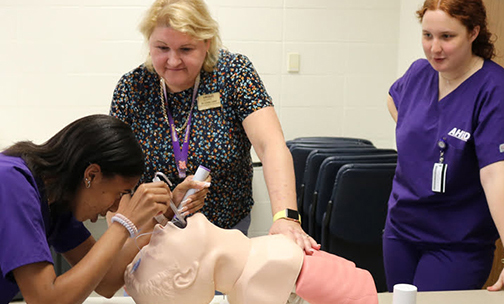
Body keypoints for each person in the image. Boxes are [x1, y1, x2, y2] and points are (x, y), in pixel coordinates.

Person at [109, 0, 317, 252]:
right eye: (162, 48)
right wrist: (122, 237)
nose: (173, 61)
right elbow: (114, 174)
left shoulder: (233, 74)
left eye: (186, 49)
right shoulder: (132, 88)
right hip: (151, 233)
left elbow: (270, 144)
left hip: (224, 231)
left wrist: (286, 218)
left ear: (206, 44)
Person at [0, 114, 208, 304]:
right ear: (91, 175)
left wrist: (163, 215)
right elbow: (46, 300)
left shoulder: (56, 202)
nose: (117, 206)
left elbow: (106, 281)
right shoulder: (11, 184)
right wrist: (124, 224)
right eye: (120, 193)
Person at [383, 0, 504, 292]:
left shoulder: (493, 88)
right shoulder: (418, 73)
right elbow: (393, 100)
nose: (434, 48)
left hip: (457, 242)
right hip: (401, 230)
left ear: (473, 32)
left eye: (447, 37)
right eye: (428, 36)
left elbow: (496, 174)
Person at [124, 213, 378, 304]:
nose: (157, 229)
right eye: (156, 248)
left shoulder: (266, 264)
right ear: (186, 275)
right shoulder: (259, 271)